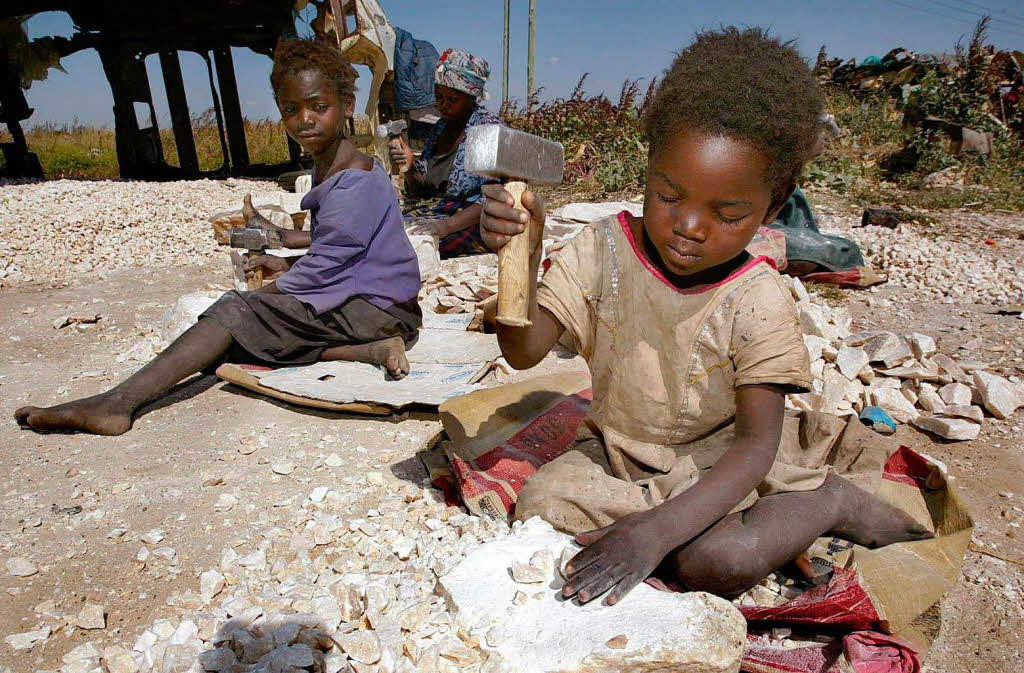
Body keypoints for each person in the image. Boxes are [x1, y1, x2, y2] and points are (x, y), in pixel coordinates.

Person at [478, 27, 931, 605]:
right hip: (617, 453)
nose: (689, 226)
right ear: (649, 163)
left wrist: (656, 531)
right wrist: (522, 254)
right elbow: (522, 352)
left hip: (724, 463)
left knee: (717, 561)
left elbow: (755, 447)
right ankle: (661, 527)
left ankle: (830, 500)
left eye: (726, 211)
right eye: (669, 196)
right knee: (542, 506)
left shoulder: (756, 297)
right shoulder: (603, 251)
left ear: (774, 203)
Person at [14, 39, 422, 436]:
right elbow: (340, 250)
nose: (305, 120)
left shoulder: (353, 182)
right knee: (236, 340)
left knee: (233, 316)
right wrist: (284, 261)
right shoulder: (332, 166)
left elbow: (327, 264)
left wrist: (261, 299)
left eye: (319, 107)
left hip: (380, 309)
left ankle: (116, 404)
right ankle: (369, 350)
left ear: (347, 106)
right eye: (291, 109)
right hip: (376, 305)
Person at [388, 48, 503, 257]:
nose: (443, 105)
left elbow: (494, 198)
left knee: (407, 248)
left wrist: (445, 227)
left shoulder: (488, 131)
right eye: (439, 96)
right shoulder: (441, 127)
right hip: (439, 212)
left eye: (452, 99)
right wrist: (410, 165)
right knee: (384, 229)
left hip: (472, 221)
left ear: (472, 97)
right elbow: (423, 190)